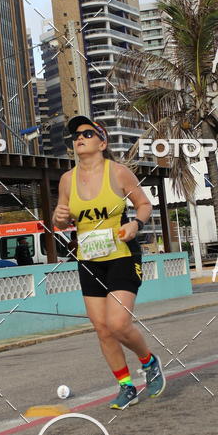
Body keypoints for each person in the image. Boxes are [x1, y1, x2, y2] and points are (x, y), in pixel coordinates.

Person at [52, 115, 166, 409]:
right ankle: (126, 386)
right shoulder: (67, 180)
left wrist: (135, 225)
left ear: (102, 143)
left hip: (121, 255)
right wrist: (59, 217)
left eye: (87, 133)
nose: (80, 137)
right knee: (102, 329)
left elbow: (144, 204)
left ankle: (149, 362)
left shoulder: (118, 173)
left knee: (118, 323)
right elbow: (61, 219)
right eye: (76, 135)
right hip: (89, 260)